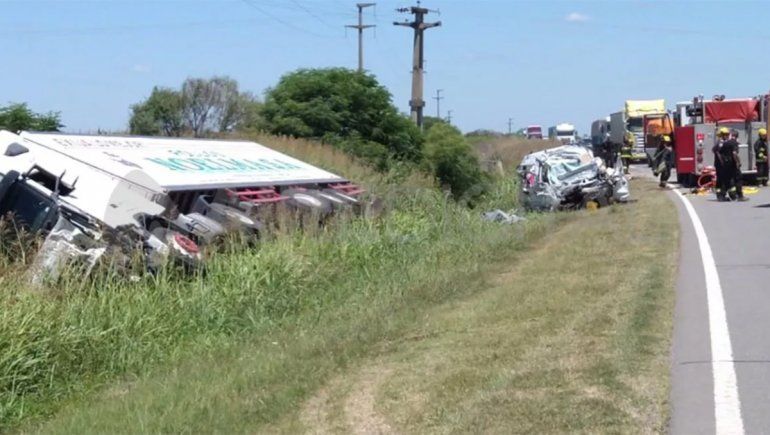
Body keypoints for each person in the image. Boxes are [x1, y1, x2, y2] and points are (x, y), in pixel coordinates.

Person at [713, 127, 732, 201]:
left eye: (728, 134)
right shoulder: (721, 143)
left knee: (720, 180)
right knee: (723, 180)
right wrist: (722, 161)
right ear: (722, 135)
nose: (727, 135)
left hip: (720, 164)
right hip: (721, 165)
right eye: (726, 134)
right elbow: (717, 152)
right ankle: (721, 195)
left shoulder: (721, 142)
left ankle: (720, 195)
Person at [730, 130, 747, 201]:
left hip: (728, 165)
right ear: (736, 136)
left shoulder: (727, 143)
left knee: (731, 179)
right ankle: (740, 196)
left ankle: (733, 195)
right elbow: (734, 153)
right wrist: (738, 162)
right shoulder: (734, 143)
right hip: (734, 164)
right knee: (738, 179)